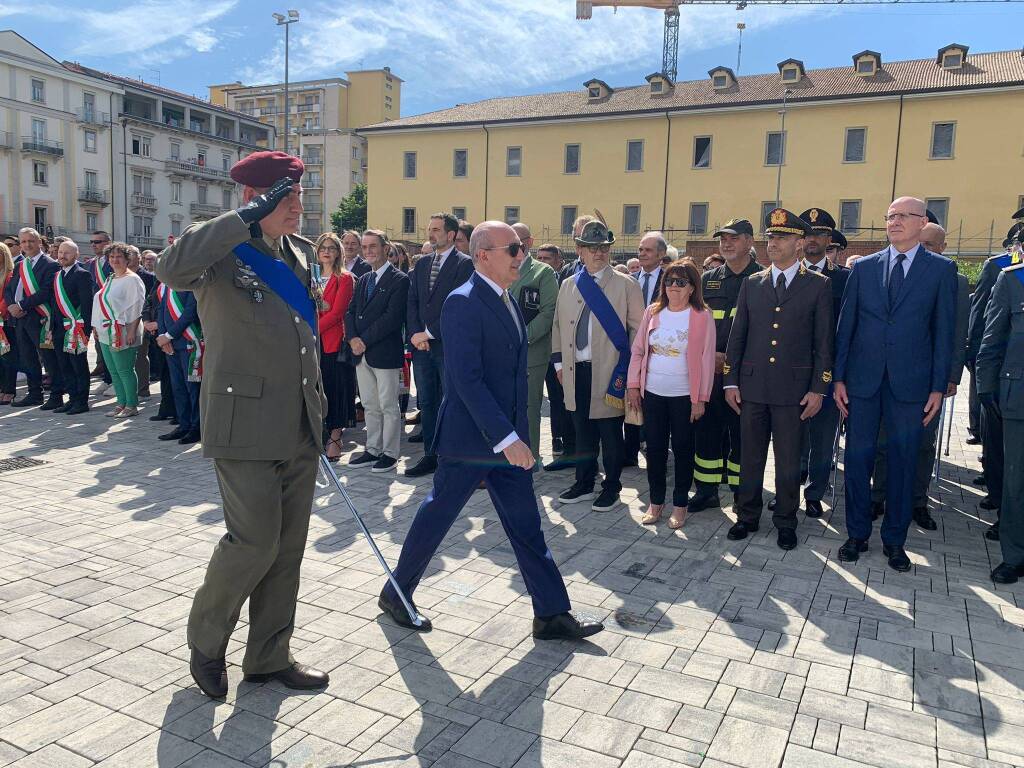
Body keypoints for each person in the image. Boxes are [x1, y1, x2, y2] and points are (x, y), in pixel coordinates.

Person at [377, 221, 604, 642]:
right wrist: (507, 438)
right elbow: (466, 380)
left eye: (520, 248)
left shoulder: (508, 300)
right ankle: (396, 594)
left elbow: (514, 379)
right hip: (471, 441)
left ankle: (551, 614)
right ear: (483, 255)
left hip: (508, 442)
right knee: (438, 515)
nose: (520, 255)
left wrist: (518, 436)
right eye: (512, 249)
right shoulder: (462, 302)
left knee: (527, 526)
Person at [157, 151, 329, 698]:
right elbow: (169, 270)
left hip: (300, 419)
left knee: (288, 547)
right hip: (244, 420)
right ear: (256, 198)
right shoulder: (221, 249)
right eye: (285, 196)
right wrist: (245, 218)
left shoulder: (300, 253)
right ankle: (206, 642)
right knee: (253, 542)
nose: (296, 207)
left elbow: (304, 339)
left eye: (299, 195)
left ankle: (269, 656)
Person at [834, 197, 957, 572]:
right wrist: (838, 377)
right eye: (890, 216)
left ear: (922, 223)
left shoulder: (941, 270)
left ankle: (895, 541)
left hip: (911, 385)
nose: (895, 222)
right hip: (862, 382)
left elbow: (944, 332)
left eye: (903, 216)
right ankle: (856, 534)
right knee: (858, 460)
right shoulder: (865, 268)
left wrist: (938, 386)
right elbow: (846, 326)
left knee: (903, 464)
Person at [724, 209, 833, 550]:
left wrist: (819, 388)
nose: (774, 243)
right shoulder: (752, 284)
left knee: (788, 461)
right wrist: (730, 381)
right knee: (751, 457)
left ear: (800, 244)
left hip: (793, 391)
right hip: (753, 387)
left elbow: (824, 344)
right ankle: (747, 515)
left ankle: (786, 519)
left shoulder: (818, 286)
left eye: (782, 237)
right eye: (771, 237)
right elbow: (737, 336)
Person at [868, 221, 968, 530]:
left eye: (929, 245)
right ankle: (879, 496)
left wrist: (950, 377)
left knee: (922, 443)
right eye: (919, 243)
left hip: (928, 379)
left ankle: (917, 501)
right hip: (891, 377)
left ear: (942, 249)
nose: (921, 250)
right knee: (885, 439)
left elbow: (954, 331)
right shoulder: (889, 271)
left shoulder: (952, 278)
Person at [551, 219, 644, 513]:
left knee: (610, 433)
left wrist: (631, 373)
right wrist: (557, 364)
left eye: (603, 247)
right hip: (575, 369)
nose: (599, 253)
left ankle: (612, 487)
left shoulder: (626, 285)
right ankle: (584, 482)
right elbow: (557, 327)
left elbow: (638, 332)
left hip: (609, 371)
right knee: (581, 431)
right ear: (580, 250)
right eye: (592, 248)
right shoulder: (568, 285)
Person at [627, 258, 715, 528]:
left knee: (683, 450)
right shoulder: (653, 312)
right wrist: (632, 384)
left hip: (684, 397)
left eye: (681, 282)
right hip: (652, 393)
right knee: (654, 450)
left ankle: (680, 504)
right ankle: (656, 502)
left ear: (692, 288)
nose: (673, 286)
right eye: (669, 281)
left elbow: (707, 360)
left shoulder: (701, 316)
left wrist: (700, 398)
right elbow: (639, 350)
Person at [690, 219, 762, 511]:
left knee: (743, 436)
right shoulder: (708, 280)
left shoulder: (762, 278)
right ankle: (706, 491)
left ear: (748, 241)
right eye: (722, 239)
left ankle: (740, 493)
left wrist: (732, 360)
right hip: (710, 371)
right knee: (706, 432)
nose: (726, 243)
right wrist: (711, 357)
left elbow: (764, 331)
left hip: (745, 375)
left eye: (733, 238)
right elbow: (696, 325)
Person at [405, 212, 474, 478]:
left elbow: (457, 307)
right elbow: (412, 301)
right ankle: (431, 455)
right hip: (420, 348)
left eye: (436, 229)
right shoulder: (421, 264)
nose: (430, 234)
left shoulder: (465, 265)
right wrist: (414, 334)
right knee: (428, 403)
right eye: (429, 228)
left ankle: (455, 456)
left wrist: (428, 334)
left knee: (451, 401)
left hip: (447, 346)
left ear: (452, 234)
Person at [967, 220, 1023, 538]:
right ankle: (1004, 509)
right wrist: (977, 367)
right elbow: (984, 321)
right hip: (1007, 380)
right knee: (1003, 456)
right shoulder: (1003, 270)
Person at [795, 208, 849, 518]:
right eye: (807, 234)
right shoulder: (788, 274)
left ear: (828, 240)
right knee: (791, 435)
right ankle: (790, 487)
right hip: (791, 371)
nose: (812, 240)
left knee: (823, 436)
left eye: (818, 234)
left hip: (827, 372)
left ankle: (815, 493)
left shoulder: (844, 279)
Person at [977, 247, 1024, 583]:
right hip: (1018, 397)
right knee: (1016, 481)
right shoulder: (1013, 279)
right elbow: (992, 339)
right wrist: (985, 387)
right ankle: (1015, 554)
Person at [345, 230, 410, 473]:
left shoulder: (400, 280)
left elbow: (392, 318)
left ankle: (390, 453)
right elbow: (350, 312)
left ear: (386, 248)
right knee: (370, 404)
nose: (369, 251)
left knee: (388, 405)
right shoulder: (363, 280)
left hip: (383, 353)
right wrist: (352, 338)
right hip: (361, 353)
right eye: (365, 247)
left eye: (373, 246)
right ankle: (372, 449)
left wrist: (363, 340)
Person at [509, 223, 558, 462]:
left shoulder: (543, 273)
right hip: (500, 353)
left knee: (528, 409)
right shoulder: (499, 268)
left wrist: (521, 337)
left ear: (529, 242)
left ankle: (530, 459)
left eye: (517, 240)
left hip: (531, 354)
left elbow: (548, 313)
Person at [624, 231, 669, 467]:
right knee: (630, 401)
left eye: (648, 250)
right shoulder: (630, 279)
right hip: (630, 352)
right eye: (640, 249)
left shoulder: (670, 280)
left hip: (658, 354)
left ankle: (655, 451)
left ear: (661, 254)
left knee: (652, 406)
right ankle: (629, 451)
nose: (642, 253)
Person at [7, 227, 62, 408]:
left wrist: (21, 305)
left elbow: (46, 291)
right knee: (28, 358)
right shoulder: (20, 265)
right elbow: (10, 289)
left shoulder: (51, 264)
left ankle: (56, 395)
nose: (27, 245)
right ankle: (34, 393)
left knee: (48, 358)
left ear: (39, 242)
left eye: (31, 241)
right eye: (23, 241)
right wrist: (11, 306)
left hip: (41, 318)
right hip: (21, 320)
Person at [91, 242, 146, 418]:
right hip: (106, 330)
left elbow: (137, 307)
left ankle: (131, 404)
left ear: (127, 259)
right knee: (113, 370)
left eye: (119, 257)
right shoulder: (111, 278)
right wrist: (96, 326)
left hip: (123, 330)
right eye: (112, 257)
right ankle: (120, 403)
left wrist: (131, 331)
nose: (115, 260)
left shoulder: (132, 279)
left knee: (125, 369)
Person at [314, 233, 355, 462]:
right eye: (323, 248)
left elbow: (338, 312)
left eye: (331, 248)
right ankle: (321, 432)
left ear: (338, 252)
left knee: (335, 388)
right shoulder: (312, 276)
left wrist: (313, 328)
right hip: (312, 344)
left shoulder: (345, 278)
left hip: (332, 341)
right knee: (319, 390)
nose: (327, 252)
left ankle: (336, 437)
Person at [536, 244, 573, 459]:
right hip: (537, 346)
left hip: (557, 348)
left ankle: (560, 438)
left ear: (559, 260)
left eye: (547, 258)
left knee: (558, 396)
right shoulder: (532, 277)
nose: (542, 261)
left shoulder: (565, 280)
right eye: (539, 257)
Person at [154, 281, 202, 444]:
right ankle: (184, 425)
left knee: (193, 387)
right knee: (178, 387)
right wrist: (163, 337)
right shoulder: (165, 285)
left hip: (189, 341)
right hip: (171, 344)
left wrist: (169, 335)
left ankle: (196, 428)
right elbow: (161, 311)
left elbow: (190, 312)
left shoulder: (191, 282)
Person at [50, 240, 94, 415]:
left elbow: (86, 304)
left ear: (76, 255)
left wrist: (85, 329)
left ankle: (82, 401)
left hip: (76, 327)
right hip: (60, 328)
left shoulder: (82, 274)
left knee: (78, 365)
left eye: (67, 253)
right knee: (64, 365)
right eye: (60, 252)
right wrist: (52, 326)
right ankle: (72, 398)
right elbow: (54, 303)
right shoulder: (57, 275)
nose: (62, 256)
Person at [127, 246, 155, 398]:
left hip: (141, 320)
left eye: (131, 255)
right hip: (124, 320)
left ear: (139, 258)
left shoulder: (148, 276)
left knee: (140, 355)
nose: (128, 258)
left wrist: (147, 320)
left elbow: (150, 301)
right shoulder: (119, 275)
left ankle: (143, 388)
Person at [0, 243, 18, 404]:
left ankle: (9, 390)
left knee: (8, 358)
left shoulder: (10, 274)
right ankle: (2, 388)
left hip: (5, 322)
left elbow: (8, 297)